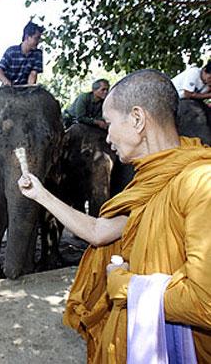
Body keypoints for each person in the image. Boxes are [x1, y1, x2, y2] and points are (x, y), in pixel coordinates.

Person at [18, 69, 211, 363]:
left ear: (137, 119)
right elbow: (100, 231)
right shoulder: (152, 180)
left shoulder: (200, 182)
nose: (107, 137)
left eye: (109, 124)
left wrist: (127, 287)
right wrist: (40, 194)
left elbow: (205, 301)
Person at [0, 21, 44, 86]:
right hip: (8, 90)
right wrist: (5, 81)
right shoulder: (11, 51)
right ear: (27, 37)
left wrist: (30, 89)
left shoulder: (38, 54)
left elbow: (33, 74)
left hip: (25, 90)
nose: (39, 41)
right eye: (36, 38)